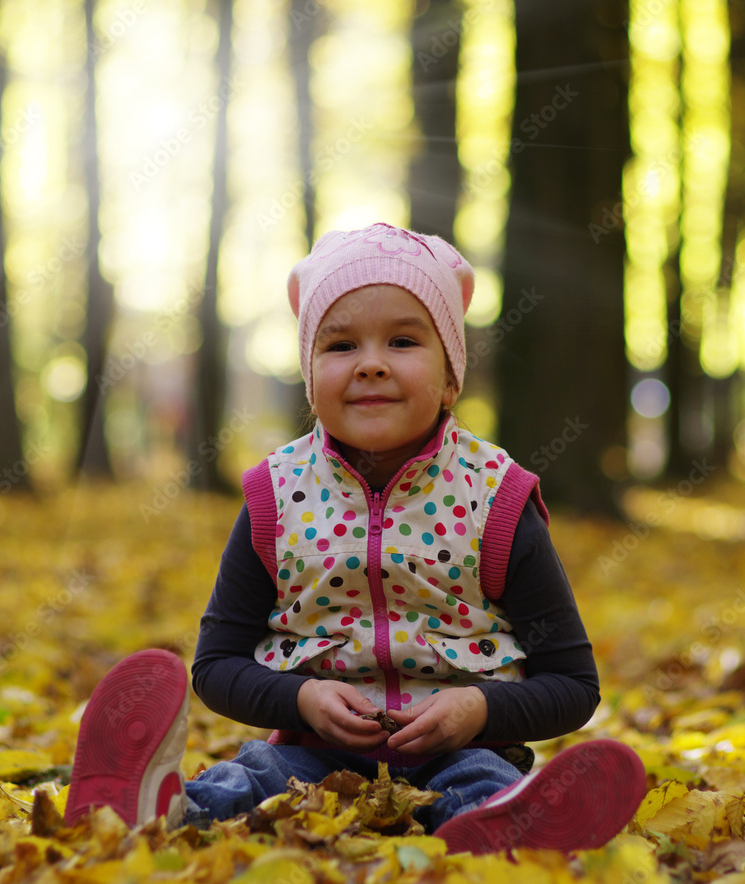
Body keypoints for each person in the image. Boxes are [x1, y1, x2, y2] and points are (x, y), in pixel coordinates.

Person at [64, 223, 646, 855]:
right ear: (312, 381)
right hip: (310, 757)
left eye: (402, 340)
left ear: (451, 378)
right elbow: (216, 665)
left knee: (479, 783)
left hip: (461, 751)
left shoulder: (496, 499)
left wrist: (478, 711)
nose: (370, 362)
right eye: (340, 345)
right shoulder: (276, 496)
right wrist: (302, 698)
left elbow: (572, 683)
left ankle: (509, 830)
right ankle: (147, 807)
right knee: (250, 781)